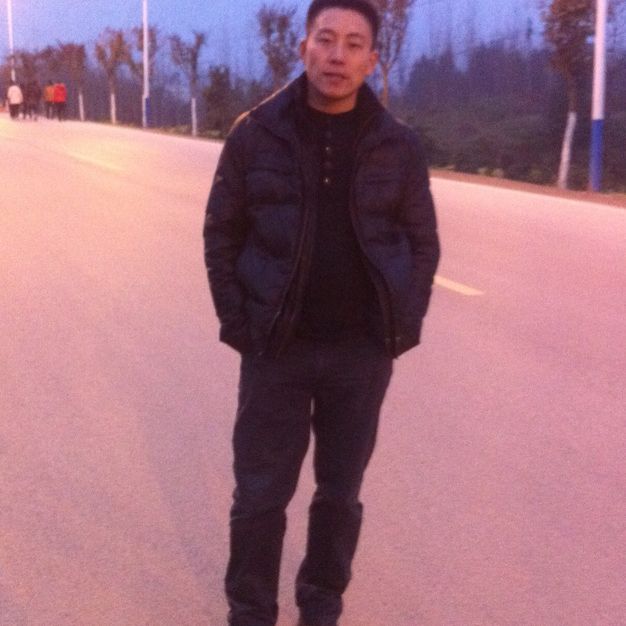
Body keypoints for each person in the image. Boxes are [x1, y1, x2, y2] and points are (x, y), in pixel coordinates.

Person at [203, 1, 440, 624]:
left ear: (372, 60)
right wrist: (241, 324)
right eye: (326, 39)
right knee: (259, 496)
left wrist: (400, 325)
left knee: (340, 495)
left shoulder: (398, 145)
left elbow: (422, 243)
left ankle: (321, 604)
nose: (338, 55)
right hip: (276, 348)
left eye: (353, 44)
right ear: (303, 48)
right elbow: (221, 232)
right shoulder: (256, 133)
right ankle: (251, 612)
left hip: (361, 354)